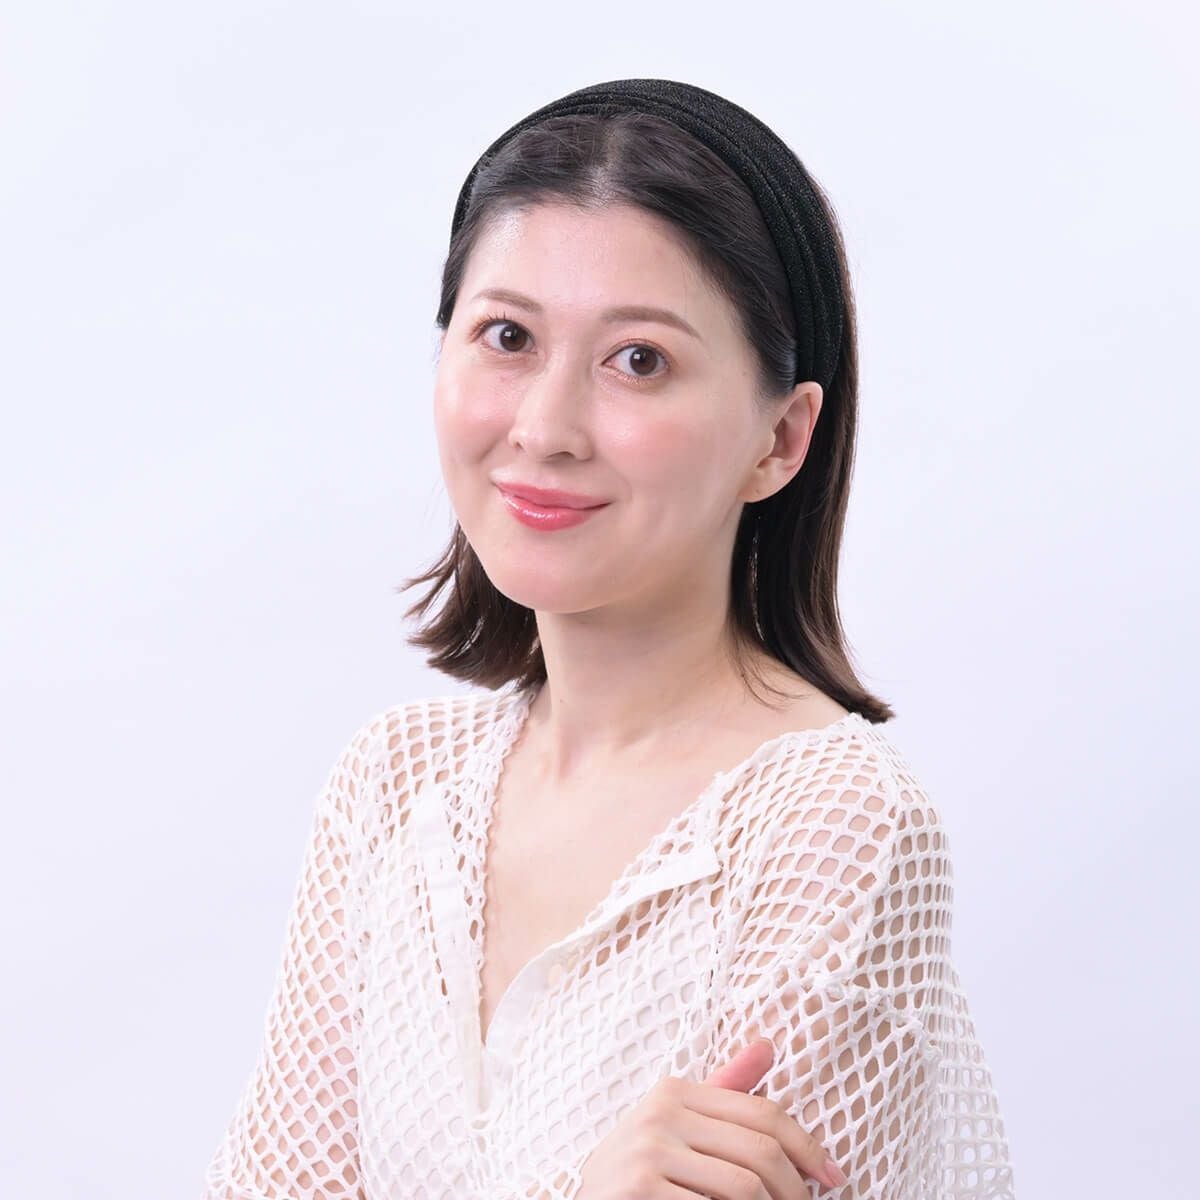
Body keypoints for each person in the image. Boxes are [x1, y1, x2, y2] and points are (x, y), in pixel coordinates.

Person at [201, 78, 1016, 1199]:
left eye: (639, 360)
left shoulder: (834, 826)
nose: (544, 428)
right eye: (507, 337)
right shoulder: (395, 787)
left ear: (781, 440)